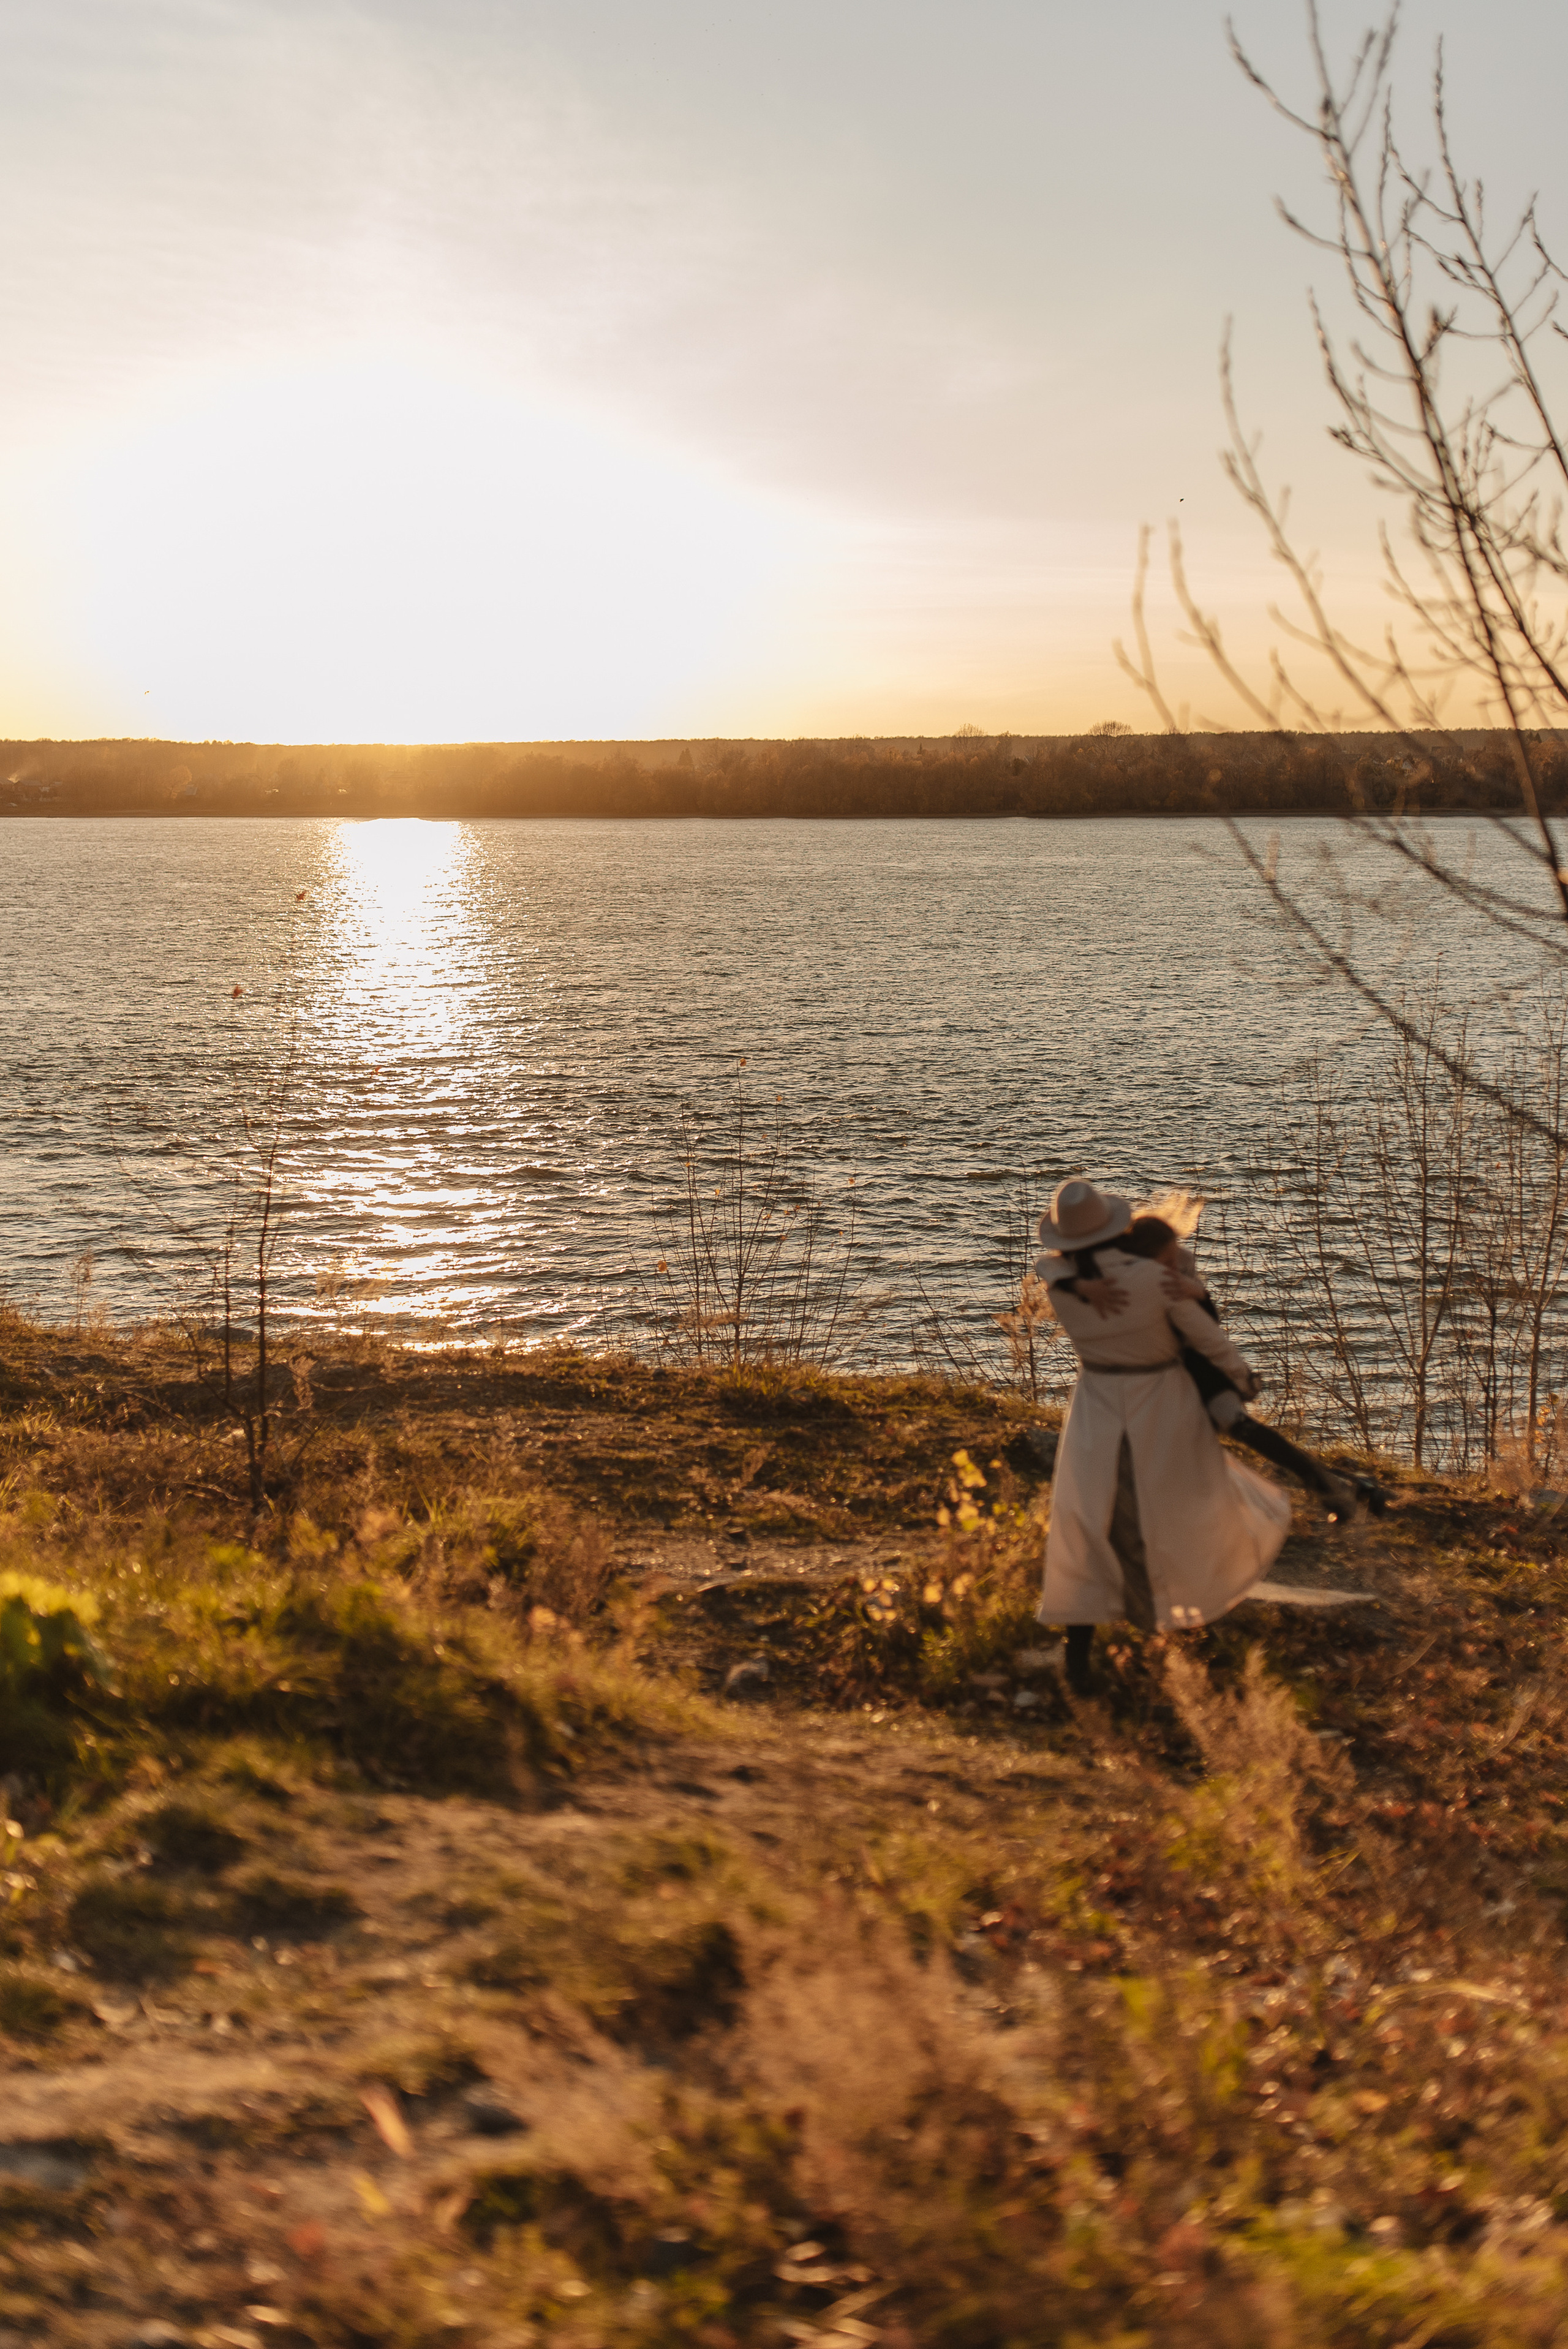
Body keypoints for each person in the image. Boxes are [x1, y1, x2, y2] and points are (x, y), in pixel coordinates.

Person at [1034, 1178, 1292, 1694]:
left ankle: (1078, 1660)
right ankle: (1181, 1609)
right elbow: (1208, 1340)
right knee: (1180, 1505)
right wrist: (1242, 1380)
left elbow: (1050, 1267)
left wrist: (1077, 1282)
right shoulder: (1153, 1280)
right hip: (1160, 1397)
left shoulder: (1062, 1288)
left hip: (1096, 1404)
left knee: (1087, 1517)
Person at [1052, 1209, 1387, 1517]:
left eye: (1173, 1259)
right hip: (1168, 1373)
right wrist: (1078, 1284)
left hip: (1201, 1366)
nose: (1171, 1266)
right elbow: (1050, 1266)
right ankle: (1341, 1482)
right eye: (1164, 1261)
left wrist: (1198, 1292)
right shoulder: (1131, 1272)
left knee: (1236, 1424)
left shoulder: (1173, 1268)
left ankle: (1332, 1488)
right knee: (1185, 1448)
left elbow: (1208, 1330)